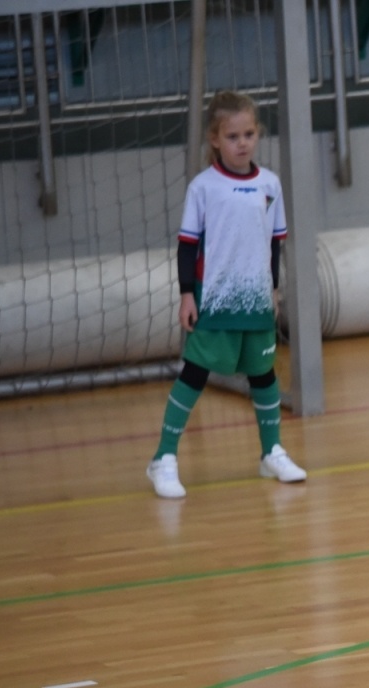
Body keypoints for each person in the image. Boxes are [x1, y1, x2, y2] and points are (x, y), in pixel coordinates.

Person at [146, 90, 306, 499]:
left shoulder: (270, 184)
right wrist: (187, 295)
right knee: (196, 374)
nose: (243, 143)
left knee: (264, 375)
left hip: (255, 301)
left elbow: (273, 243)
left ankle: (271, 451)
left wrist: (272, 289)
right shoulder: (203, 187)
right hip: (214, 300)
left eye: (249, 133)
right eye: (233, 136)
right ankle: (163, 459)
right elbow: (187, 245)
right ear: (215, 139)